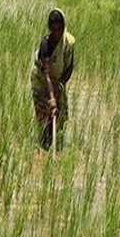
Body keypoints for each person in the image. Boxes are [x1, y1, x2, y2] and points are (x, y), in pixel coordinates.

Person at [31, 9, 75, 151]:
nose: (57, 32)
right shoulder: (46, 44)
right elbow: (47, 74)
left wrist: (61, 84)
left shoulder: (69, 43)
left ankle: (53, 142)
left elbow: (69, 67)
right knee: (45, 115)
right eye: (53, 29)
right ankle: (44, 145)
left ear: (64, 26)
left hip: (58, 80)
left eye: (60, 28)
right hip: (41, 80)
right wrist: (51, 99)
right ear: (49, 28)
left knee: (59, 116)